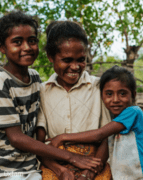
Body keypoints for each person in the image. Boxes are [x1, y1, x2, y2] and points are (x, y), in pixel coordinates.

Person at [0, 11, 101, 180]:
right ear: (1, 47)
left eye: (32, 41)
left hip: (26, 166)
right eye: (17, 42)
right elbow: (16, 138)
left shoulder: (35, 79)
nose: (27, 47)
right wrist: (71, 157)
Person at [46, 66, 143, 180]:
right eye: (109, 94)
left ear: (133, 95)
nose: (116, 99)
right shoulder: (113, 123)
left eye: (122, 93)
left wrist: (63, 137)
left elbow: (99, 134)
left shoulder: (133, 112)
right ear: (101, 96)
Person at [36, 21, 112, 180]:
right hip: (55, 164)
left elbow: (106, 137)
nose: (75, 67)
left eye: (81, 59)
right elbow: (40, 145)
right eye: (67, 60)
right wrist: (60, 170)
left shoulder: (98, 87)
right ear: (51, 57)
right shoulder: (42, 91)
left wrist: (89, 173)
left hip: (94, 162)